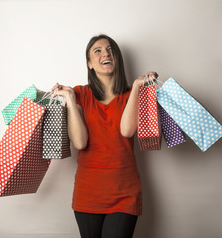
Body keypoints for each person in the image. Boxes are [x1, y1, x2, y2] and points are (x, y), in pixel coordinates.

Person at [51, 34, 158, 238]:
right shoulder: (80, 93)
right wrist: (71, 101)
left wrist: (136, 87)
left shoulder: (131, 94)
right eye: (97, 51)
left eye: (110, 50)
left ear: (117, 58)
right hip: (88, 192)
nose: (105, 53)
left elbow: (126, 131)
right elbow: (80, 142)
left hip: (125, 192)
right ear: (89, 64)